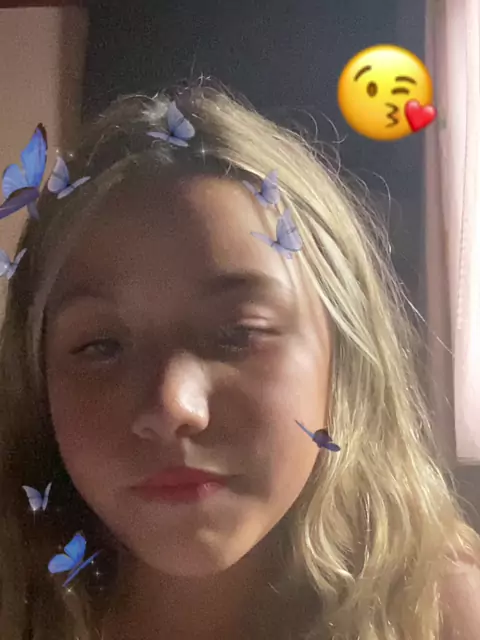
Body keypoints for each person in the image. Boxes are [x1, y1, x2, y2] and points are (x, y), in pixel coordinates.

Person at [0, 80, 479, 640]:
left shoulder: (437, 614)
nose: (174, 406)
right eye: (101, 345)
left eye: (238, 334)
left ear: (343, 355)